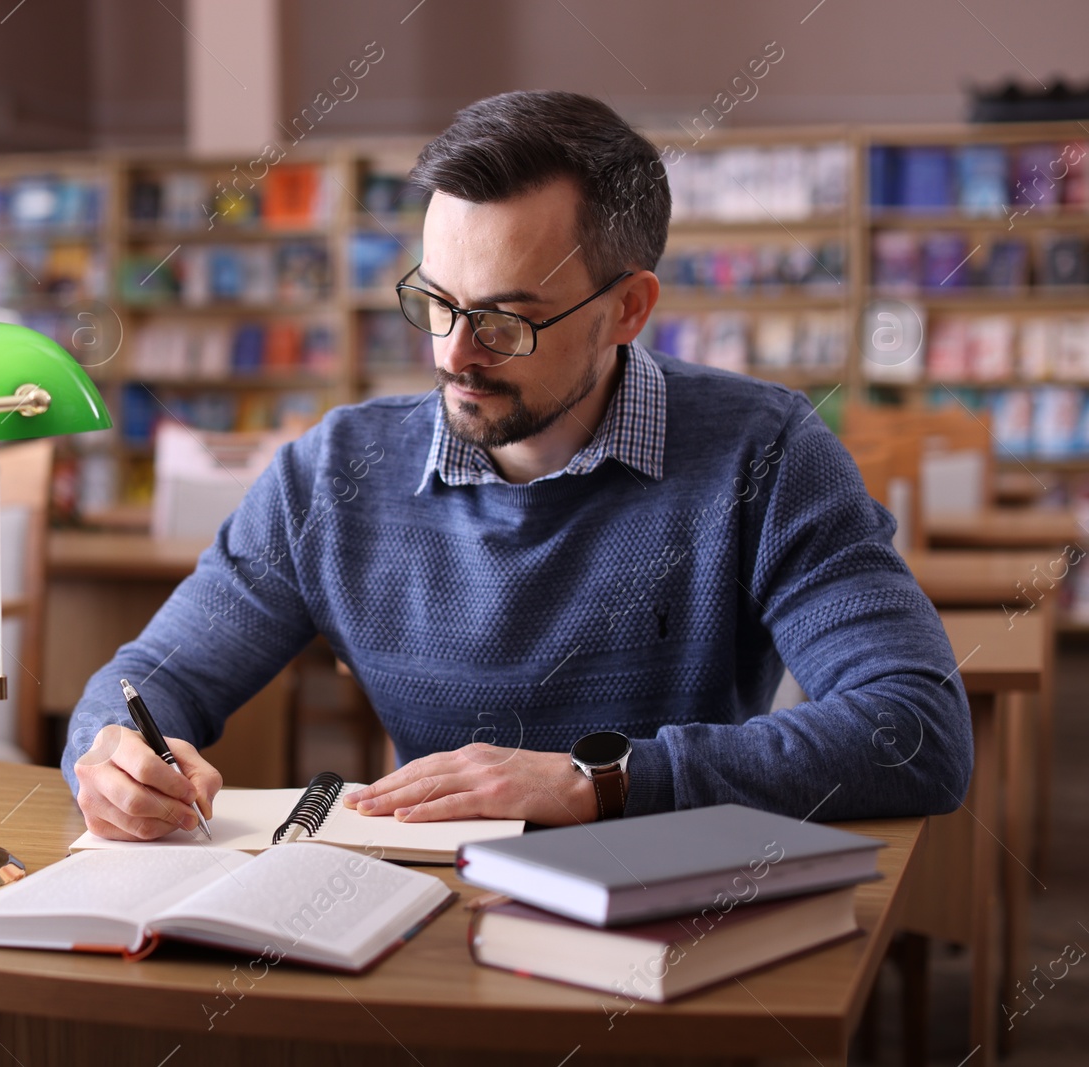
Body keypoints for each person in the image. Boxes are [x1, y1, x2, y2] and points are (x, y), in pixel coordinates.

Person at [62, 90, 972, 841]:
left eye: (505, 321)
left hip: (669, 916)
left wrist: (599, 780)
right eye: (435, 303)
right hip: (424, 921)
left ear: (627, 309)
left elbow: (918, 729)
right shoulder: (332, 475)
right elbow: (150, 680)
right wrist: (111, 753)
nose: (456, 355)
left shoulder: (765, 454)